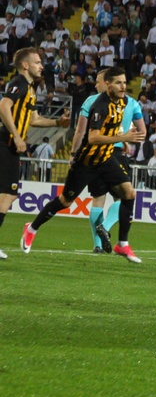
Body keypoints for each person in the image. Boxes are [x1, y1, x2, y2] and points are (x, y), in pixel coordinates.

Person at [21, 67, 144, 261]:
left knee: (129, 194)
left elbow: (112, 125)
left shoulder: (122, 101)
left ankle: (122, 244)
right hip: (87, 162)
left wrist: (124, 140)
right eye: (118, 83)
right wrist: (123, 137)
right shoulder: (99, 105)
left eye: (124, 82)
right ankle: (32, 228)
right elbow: (93, 138)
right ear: (108, 85)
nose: (123, 87)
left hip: (106, 159)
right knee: (65, 201)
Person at [0, 47, 69, 259]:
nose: (41, 66)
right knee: (7, 194)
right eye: (37, 62)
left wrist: (57, 122)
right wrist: (16, 136)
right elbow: (3, 106)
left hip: (10, 146)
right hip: (5, 143)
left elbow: (34, 119)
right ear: (25, 65)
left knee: (8, 194)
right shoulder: (19, 83)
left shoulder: (30, 89)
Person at [74, 68, 146, 253]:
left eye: (98, 81)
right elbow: (142, 132)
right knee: (124, 197)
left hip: (95, 153)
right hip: (115, 152)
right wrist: (126, 137)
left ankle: (97, 245)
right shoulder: (131, 103)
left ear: (106, 83)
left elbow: (80, 131)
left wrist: (74, 154)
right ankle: (105, 227)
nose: (97, 85)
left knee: (98, 200)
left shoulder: (90, 101)